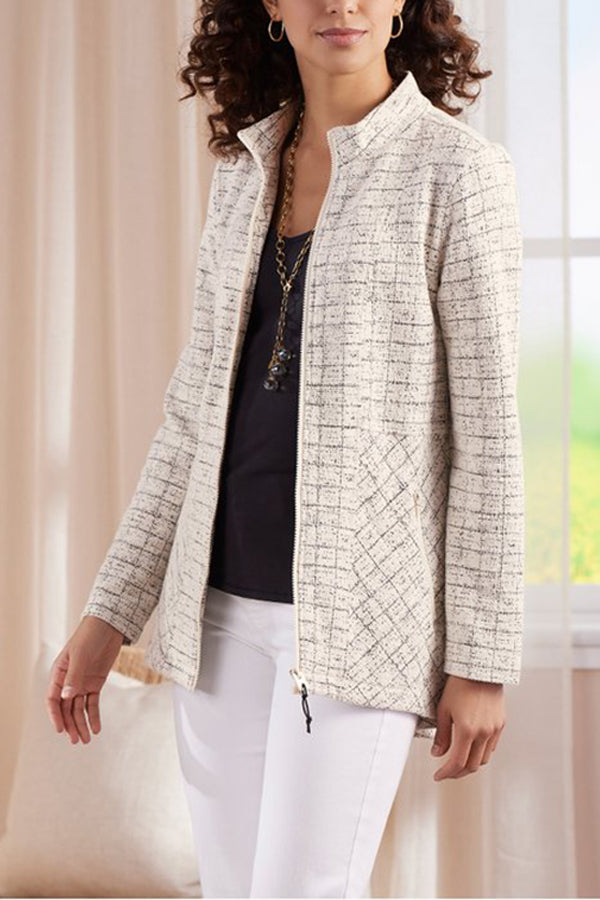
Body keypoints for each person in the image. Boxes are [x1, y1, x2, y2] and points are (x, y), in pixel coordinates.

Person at [46, 1, 525, 896]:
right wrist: (110, 613)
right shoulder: (245, 170)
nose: (339, 3)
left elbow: (489, 436)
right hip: (216, 613)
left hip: (355, 625)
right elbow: (190, 418)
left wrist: (481, 662)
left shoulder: (457, 172)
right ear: (271, 6)